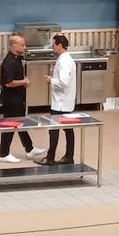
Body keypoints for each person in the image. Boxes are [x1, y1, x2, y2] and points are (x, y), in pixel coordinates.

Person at [0, 33, 46, 163]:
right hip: (11, 100)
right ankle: (3, 153)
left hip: (19, 98)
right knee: (10, 124)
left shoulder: (18, 58)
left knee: (20, 123)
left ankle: (29, 149)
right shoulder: (8, 62)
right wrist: (24, 82)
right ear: (14, 46)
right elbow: (8, 83)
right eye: (22, 45)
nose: (25, 47)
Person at [39, 33, 76, 166]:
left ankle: (50, 157)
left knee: (54, 129)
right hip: (65, 101)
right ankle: (68, 156)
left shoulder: (64, 61)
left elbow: (63, 82)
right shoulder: (66, 59)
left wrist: (51, 80)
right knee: (68, 129)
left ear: (60, 45)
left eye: (54, 45)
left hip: (60, 103)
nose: (52, 48)